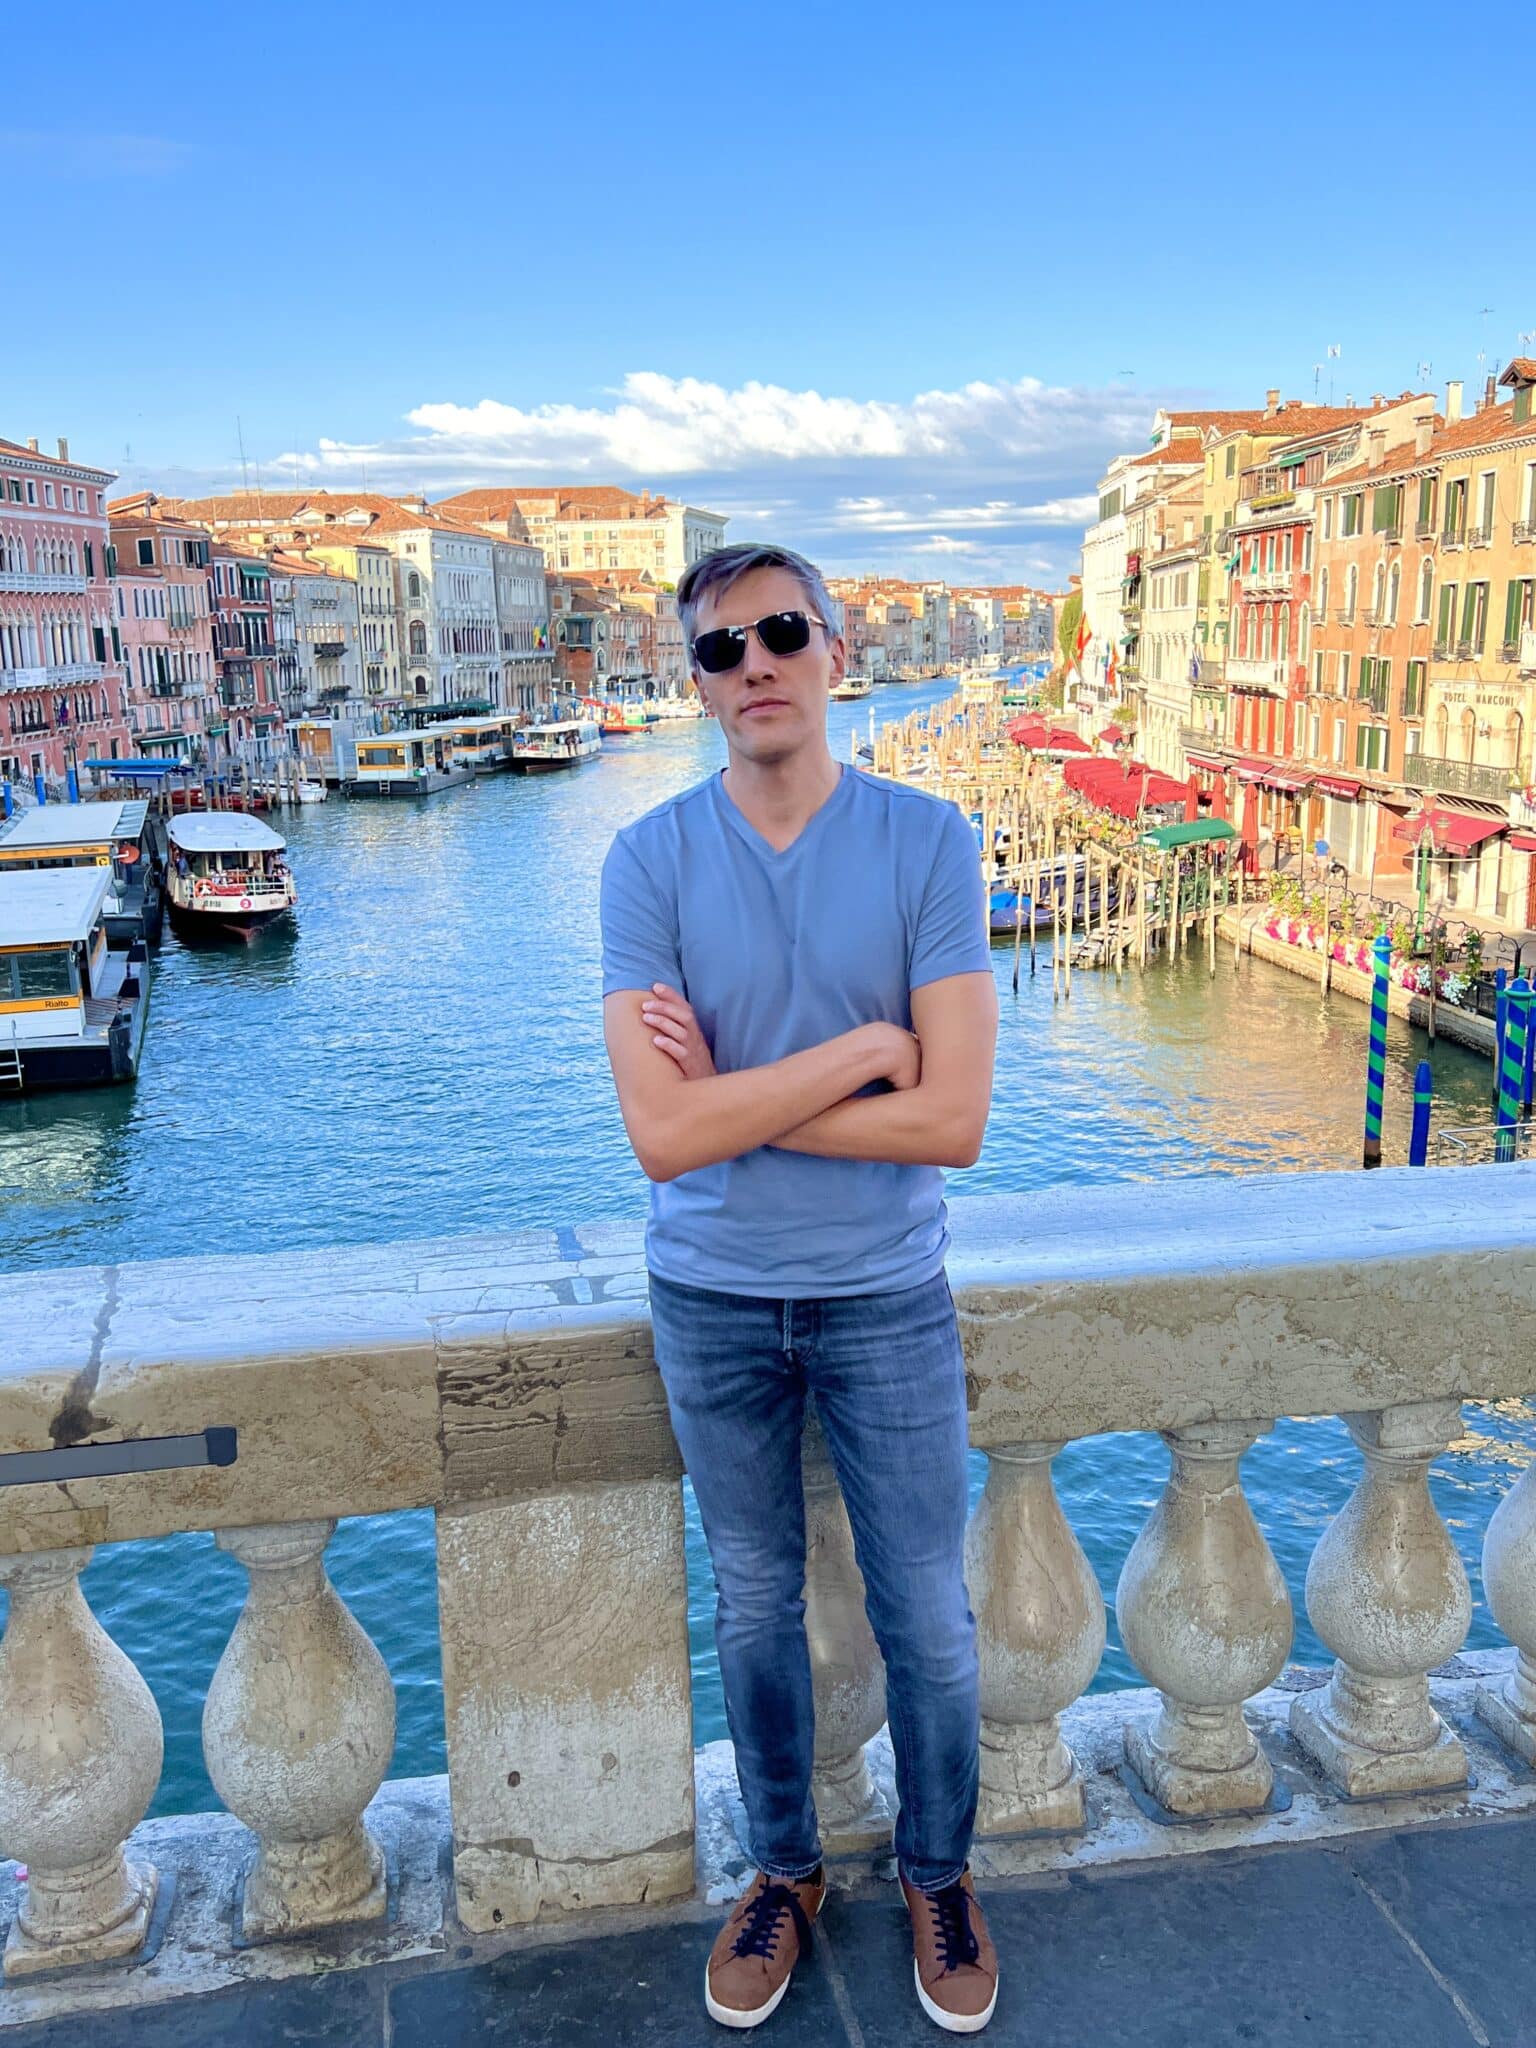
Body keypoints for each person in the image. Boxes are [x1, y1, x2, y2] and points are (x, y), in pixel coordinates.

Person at [600, 543, 999, 2033]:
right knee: (756, 1605)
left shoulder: (927, 841)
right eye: (720, 648)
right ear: (693, 683)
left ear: (834, 651)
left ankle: (939, 1872)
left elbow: (953, 1120)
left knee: (929, 1618)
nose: (753, 664)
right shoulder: (647, 862)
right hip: (708, 1295)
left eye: (780, 633)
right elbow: (660, 1135)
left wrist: (744, 1099)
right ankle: (782, 1872)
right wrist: (858, 1055)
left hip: (885, 1291)